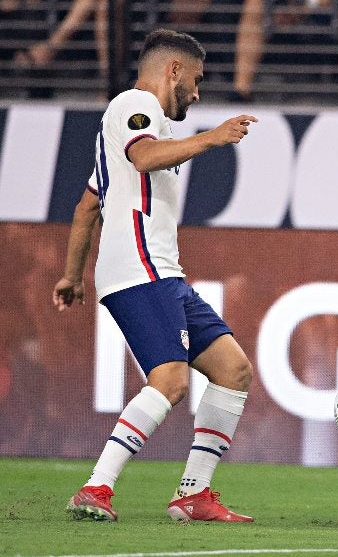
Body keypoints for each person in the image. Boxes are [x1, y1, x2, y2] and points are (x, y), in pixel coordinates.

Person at [53, 28, 258, 523]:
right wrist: (212, 137)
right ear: (174, 71)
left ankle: (193, 494)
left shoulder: (150, 126)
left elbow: (87, 207)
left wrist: (71, 275)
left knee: (233, 370)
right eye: (196, 80)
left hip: (162, 271)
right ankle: (95, 487)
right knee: (170, 380)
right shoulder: (133, 106)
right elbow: (142, 157)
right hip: (141, 268)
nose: (197, 91)